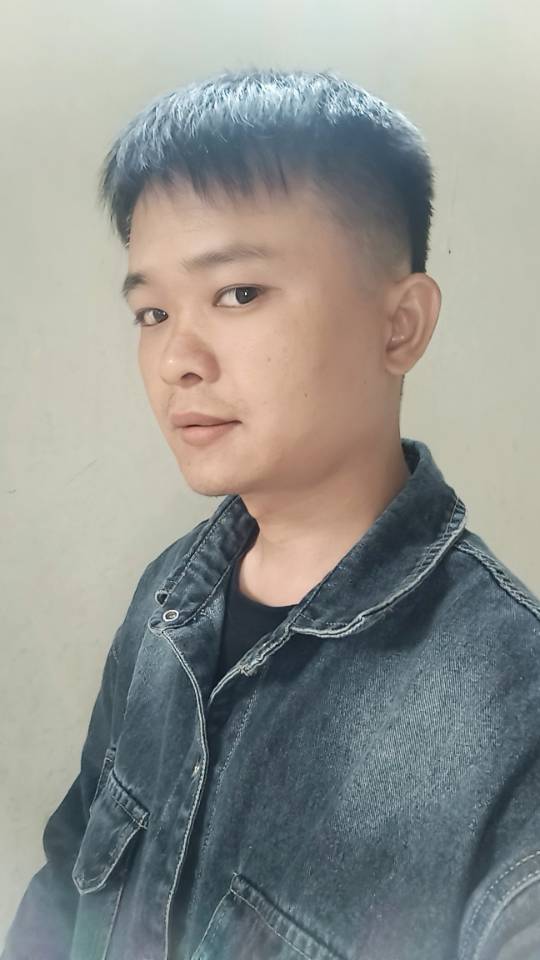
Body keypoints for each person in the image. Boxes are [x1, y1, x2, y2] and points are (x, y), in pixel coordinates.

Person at [3, 67, 540, 960]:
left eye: (238, 294)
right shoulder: (169, 600)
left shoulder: (514, 715)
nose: (176, 358)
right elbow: (65, 882)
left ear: (400, 325)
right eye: (151, 311)